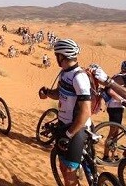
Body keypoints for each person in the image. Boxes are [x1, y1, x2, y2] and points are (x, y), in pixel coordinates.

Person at [38, 39, 92, 186]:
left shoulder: (79, 77)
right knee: (63, 165)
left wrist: (69, 135)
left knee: (69, 174)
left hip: (76, 129)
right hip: (64, 125)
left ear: (62, 56)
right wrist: (47, 92)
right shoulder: (64, 73)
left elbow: (86, 111)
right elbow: (60, 94)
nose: (55, 57)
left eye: (57, 54)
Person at [98, 60, 126, 162]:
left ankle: (114, 154)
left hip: (119, 107)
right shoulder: (118, 77)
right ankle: (105, 155)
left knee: (117, 132)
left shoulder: (125, 79)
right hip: (114, 106)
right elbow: (110, 91)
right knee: (113, 131)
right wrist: (123, 100)